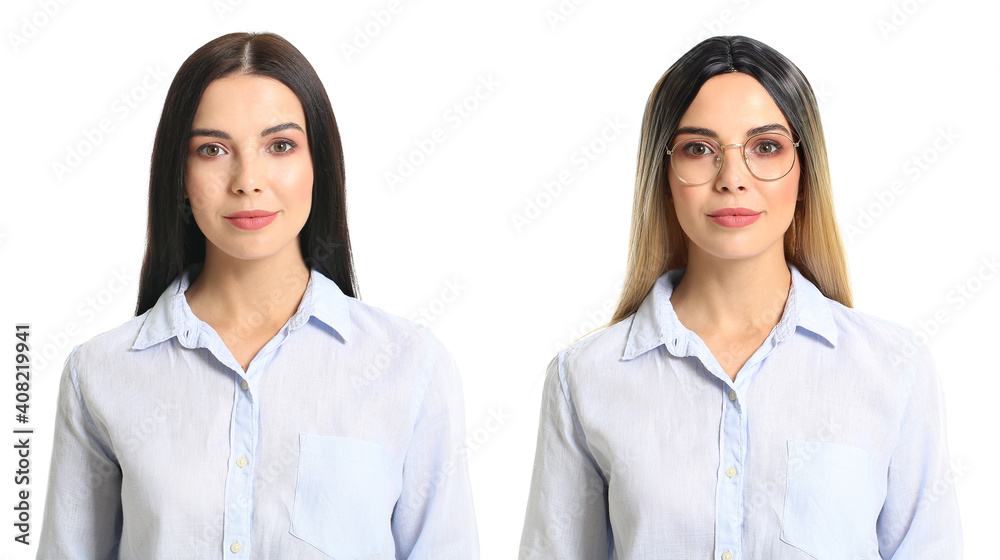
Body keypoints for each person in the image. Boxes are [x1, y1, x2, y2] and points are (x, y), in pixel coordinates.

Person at [37, 32, 478, 559]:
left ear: (320, 164)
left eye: (280, 145)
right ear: (180, 173)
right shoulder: (101, 373)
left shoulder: (409, 365)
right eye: (213, 149)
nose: (248, 179)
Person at [519, 35, 961, 559]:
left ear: (804, 172)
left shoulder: (893, 368)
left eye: (766, 147)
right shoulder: (585, 379)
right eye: (699, 149)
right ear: (663, 175)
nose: (732, 179)